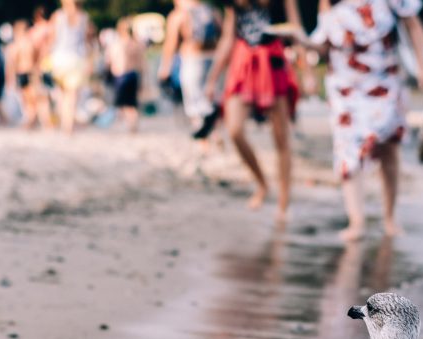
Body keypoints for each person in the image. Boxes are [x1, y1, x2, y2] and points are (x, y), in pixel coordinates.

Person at [310, 0, 423, 241]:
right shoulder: (329, 3)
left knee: (388, 148)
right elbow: (322, 44)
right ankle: (356, 221)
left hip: (384, 81)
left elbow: (413, 25)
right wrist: (300, 41)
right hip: (345, 88)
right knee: (349, 152)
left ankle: (390, 217)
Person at [204, 0, 313, 218]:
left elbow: (296, 30)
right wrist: (212, 78)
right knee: (234, 129)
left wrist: (307, 72)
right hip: (244, 61)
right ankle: (262, 182)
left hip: (272, 60)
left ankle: (284, 204)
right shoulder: (236, 4)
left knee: (281, 139)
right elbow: (228, 38)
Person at [158, 0, 222, 142]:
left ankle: (203, 142)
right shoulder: (210, 9)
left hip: (193, 59)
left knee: (194, 103)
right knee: (210, 100)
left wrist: (165, 67)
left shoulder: (179, 14)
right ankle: (216, 135)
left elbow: (171, 43)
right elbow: (223, 33)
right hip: (214, 57)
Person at [47, 0, 94, 134]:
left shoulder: (57, 16)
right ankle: (69, 125)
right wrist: (89, 61)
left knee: (61, 93)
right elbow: (86, 42)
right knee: (72, 95)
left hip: (59, 58)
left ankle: (64, 123)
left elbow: (52, 39)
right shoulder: (84, 17)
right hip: (77, 59)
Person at [108, 17, 144, 133]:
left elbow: (109, 60)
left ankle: (130, 124)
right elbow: (141, 63)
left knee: (124, 104)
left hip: (121, 76)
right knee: (132, 103)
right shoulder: (137, 44)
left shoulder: (117, 43)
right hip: (133, 75)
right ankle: (133, 124)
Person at [6, 19, 40, 128]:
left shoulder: (16, 45)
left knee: (27, 100)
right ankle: (31, 120)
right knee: (32, 99)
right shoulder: (31, 43)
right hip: (31, 72)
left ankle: (29, 120)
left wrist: (10, 78)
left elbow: (12, 63)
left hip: (21, 72)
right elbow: (36, 59)